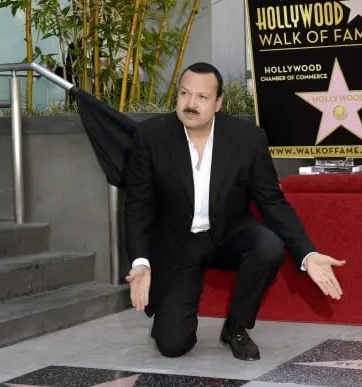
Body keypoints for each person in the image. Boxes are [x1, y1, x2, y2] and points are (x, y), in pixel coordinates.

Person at [124, 62, 346, 361]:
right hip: (178, 245)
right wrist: (141, 262)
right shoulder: (151, 135)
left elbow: (271, 201)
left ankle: (236, 327)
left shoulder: (247, 138)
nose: (190, 103)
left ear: (218, 103)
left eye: (202, 97)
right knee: (173, 345)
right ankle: (172, 317)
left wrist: (307, 253)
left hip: (229, 235)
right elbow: (138, 205)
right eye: (185, 94)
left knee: (269, 247)